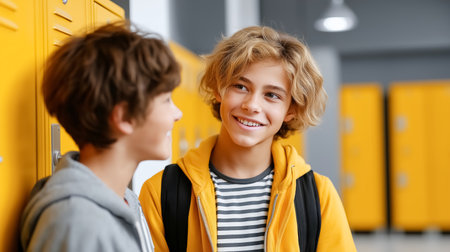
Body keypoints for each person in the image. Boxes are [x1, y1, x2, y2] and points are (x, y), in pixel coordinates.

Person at [139, 26, 356, 251]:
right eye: (241, 86)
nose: (252, 105)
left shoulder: (318, 196)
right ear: (219, 88)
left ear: (291, 110)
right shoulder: (161, 193)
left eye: (272, 95)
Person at [20, 21, 182, 252]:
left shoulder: (126, 200)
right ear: (124, 117)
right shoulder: (75, 221)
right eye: (166, 100)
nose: (178, 113)